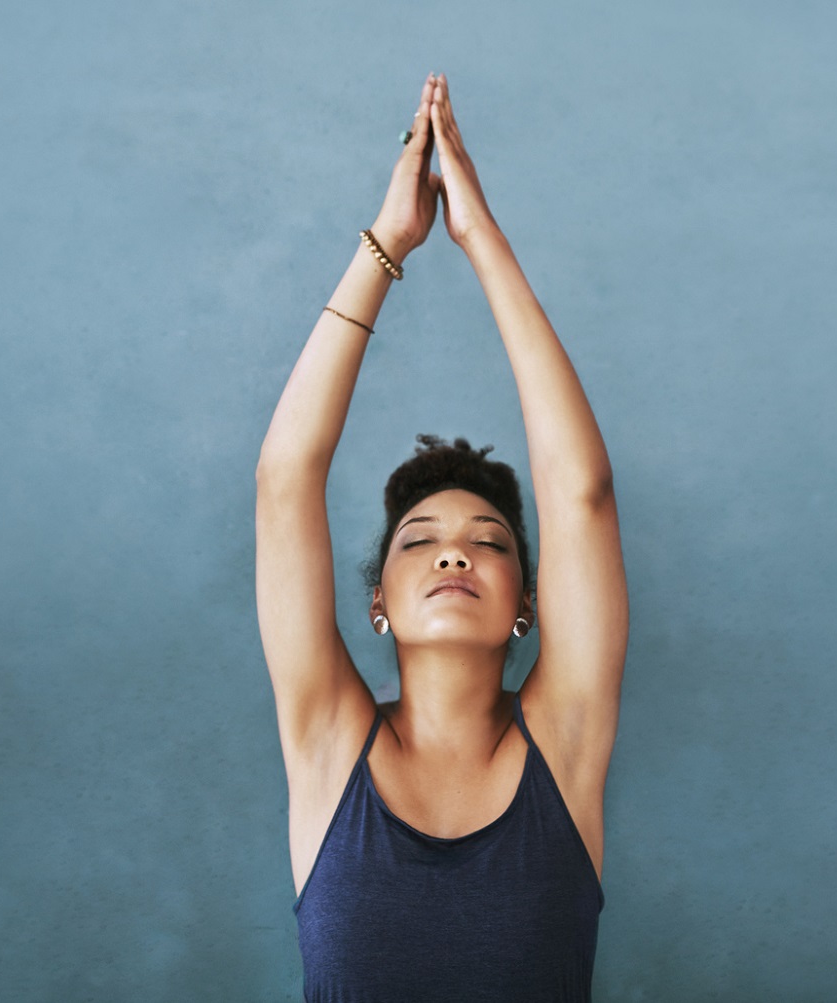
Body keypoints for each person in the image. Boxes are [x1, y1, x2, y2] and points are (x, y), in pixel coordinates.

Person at [254, 72, 628, 1001]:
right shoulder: (327, 742)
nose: (456, 552)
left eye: (492, 541)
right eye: (420, 539)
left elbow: (579, 491)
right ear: (376, 599)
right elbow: (283, 480)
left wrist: (480, 238)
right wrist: (388, 245)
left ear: (530, 606)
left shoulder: (563, 743)